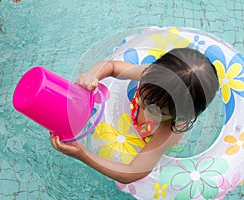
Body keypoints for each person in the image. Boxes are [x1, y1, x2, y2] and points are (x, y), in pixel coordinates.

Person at [50, 48, 219, 184]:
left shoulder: (168, 131)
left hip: (148, 138)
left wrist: (83, 155)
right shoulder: (153, 77)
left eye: (157, 110)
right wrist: (92, 75)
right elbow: (112, 67)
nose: (145, 106)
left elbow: (133, 172)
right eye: (144, 97)